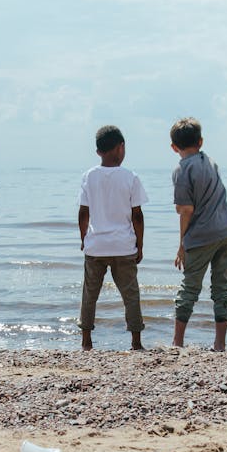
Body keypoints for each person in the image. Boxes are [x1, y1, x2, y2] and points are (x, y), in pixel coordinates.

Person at [169, 117, 227, 351]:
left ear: (173, 147)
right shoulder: (210, 162)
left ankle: (177, 342)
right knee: (222, 287)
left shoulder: (182, 170)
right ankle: (219, 344)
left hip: (202, 235)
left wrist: (181, 244)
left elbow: (186, 210)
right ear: (200, 142)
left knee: (189, 287)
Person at [77, 125, 148, 351]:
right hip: (123, 246)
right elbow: (137, 216)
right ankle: (136, 342)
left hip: (96, 246)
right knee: (130, 295)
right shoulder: (130, 177)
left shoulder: (89, 176)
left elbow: (83, 213)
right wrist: (140, 243)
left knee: (90, 295)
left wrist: (83, 238)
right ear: (121, 147)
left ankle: (86, 341)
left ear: (98, 151)